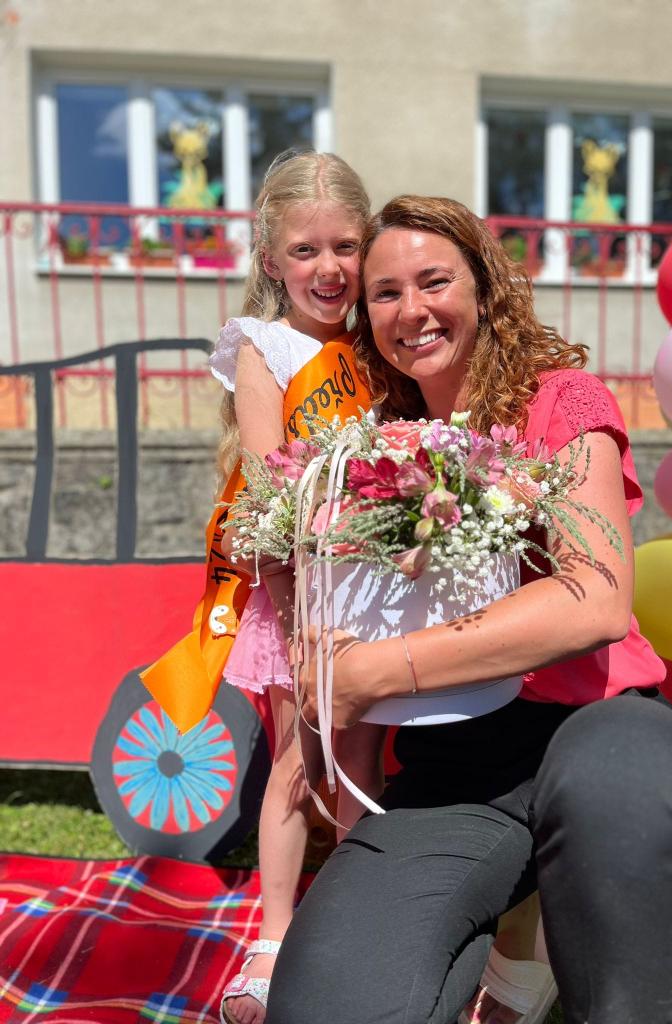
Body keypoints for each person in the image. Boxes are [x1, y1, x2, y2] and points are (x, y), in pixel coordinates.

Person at [264, 196, 672, 1024]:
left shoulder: (562, 400)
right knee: (327, 1002)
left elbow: (595, 599)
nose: (412, 310)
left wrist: (374, 671)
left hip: (600, 722)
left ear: (484, 287)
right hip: (457, 762)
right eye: (385, 293)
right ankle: (509, 955)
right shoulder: (373, 445)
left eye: (434, 281)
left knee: (623, 795)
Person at [211, 150, 386, 1024]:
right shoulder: (264, 347)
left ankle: (359, 931)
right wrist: (288, 599)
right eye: (306, 250)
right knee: (298, 758)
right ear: (271, 259)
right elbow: (266, 481)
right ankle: (275, 936)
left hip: (380, 590)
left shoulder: (381, 341)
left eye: (345, 247)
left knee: (361, 765)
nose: (329, 268)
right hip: (300, 588)